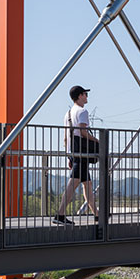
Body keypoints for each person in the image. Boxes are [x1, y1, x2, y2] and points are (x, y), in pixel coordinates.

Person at [54, 85, 99, 225]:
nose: (87, 96)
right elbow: (83, 132)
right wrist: (99, 141)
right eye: (85, 94)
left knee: (88, 185)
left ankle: (97, 215)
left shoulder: (67, 114)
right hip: (82, 153)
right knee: (73, 183)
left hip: (74, 151)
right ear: (80, 96)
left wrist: (69, 156)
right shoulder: (82, 111)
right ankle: (60, 215)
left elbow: (66, 137)